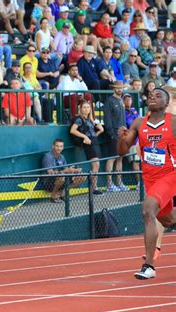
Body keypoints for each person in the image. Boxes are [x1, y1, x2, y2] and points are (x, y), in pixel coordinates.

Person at [117, 88, 176, 279]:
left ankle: (148, 266)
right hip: (150, 178)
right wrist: (122, 139)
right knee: (168, 219)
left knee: (148, 210)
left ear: (166, 103)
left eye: (158, 95)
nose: (153, 97)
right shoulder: (139, 123)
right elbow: (122, 151)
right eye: (151, 95)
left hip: (170, 174)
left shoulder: (173, 122)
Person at [70, 101, 105, 195]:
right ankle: (93, 187)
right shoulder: (79, 119)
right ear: (80, 109)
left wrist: (100, 131)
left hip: (94, 142)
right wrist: (85, 137)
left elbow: (96, 131)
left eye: (88, 107)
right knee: (96, 165)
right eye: (84, 107)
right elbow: (72, 130)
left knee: (96, 166)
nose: (86, 109)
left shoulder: (90, 119)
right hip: (88, 144)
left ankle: (94, 187)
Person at [42, 139, 86, 203]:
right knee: (61, 177)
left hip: (61, 179)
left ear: (63, 147)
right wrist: (67, 171)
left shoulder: (62, 157)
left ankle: (62, 194)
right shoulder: (48, 156)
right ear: (53, 146)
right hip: (48, 182)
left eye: (61, 146)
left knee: (83, 176)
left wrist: (74, 170)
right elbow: (50, 173)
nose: (59, 148)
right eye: (57, 146)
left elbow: (66, 170)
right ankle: (53, 196)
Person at [103, 81, 129, 192]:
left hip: (123, 134)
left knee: (120, 159)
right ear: (113, 88)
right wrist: (111, 134)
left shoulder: (121, 101)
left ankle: (119, 183)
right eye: (117, 88)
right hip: (114, 133)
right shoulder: (109, 101)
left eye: (121, 88)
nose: (120, 89)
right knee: (111, 158)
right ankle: (109, 184)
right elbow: (107, 119)